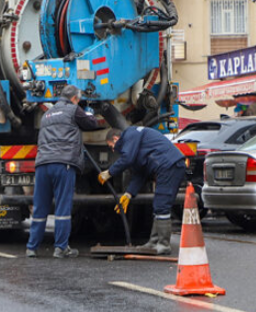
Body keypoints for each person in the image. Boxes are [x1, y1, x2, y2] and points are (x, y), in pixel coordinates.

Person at [27, 85, 100, 259]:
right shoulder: (74, 110)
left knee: (40, 207)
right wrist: (89, 112)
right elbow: (92, 124)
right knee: (63, 206)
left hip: (43, 164)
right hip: (63, 163)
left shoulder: (47, 115)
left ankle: (31, 247)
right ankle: (61, 248)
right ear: (75, 98)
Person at [98, 127, 187, 255]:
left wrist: (109, 172)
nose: (113, 150)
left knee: (161, 205)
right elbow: (140, 174)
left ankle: (163, 244)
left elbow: (127, 158)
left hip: (169, 165)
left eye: (112, 146)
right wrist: (128, 194)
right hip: (168, 166)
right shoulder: (135, 146)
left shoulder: (131, 133)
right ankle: (154, 242)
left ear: (116, 139)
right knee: (158, 205)